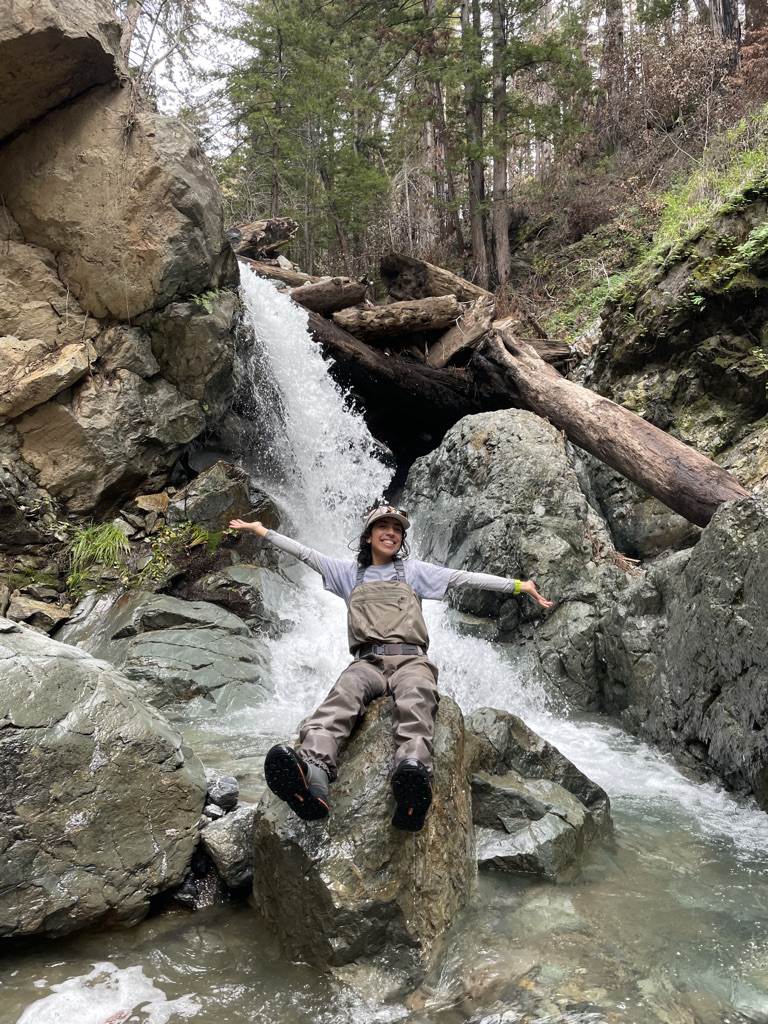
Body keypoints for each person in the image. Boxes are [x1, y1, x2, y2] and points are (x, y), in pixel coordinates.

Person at [229, 504, 552, 832]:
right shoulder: (347, 574)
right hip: (367, 662)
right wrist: (261, 530)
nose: (391, 533)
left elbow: (463, 578)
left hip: (411, 660)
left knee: (416, 697)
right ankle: (313, 776)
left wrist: (519, 586)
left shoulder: (414, 571)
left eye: (397, 529)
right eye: (383, 527)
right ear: (368, 537)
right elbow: (305, 553)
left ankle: (413, 776)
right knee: (342, 696)